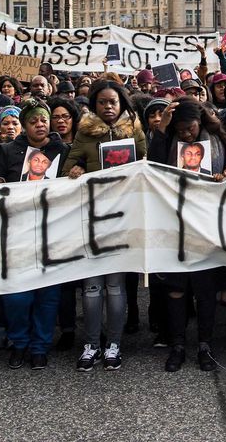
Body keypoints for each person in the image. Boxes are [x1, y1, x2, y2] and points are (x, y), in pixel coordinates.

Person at [147, 98, 226, 372]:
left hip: (207, 225)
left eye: (191, 129)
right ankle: (177, 345)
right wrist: (162, 129)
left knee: (205, 289)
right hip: (175, 225)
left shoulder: (218, 142)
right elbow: (153, 167)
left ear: (201, 122)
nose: (187, 134)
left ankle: (204, 345)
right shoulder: (168, 141)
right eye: (181, 130)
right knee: (176, 288)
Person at [65, 80, 148, 373]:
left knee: (114, 287)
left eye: (113, 102)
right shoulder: (84, 133)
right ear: (94, 105)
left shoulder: (134, 131)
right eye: (102, 102)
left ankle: (113, 343)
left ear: (121, 104)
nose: (108, 107)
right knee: (91, 288)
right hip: (92, 218)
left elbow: (146, 165)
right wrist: (76, 170)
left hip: (122, 218)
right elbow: (69, 168)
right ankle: (91, 344)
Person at [0, 101, 68, 370]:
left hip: (51, 232)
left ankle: (40, 346)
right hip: (16, 233)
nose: (40, 125)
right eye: (34, 121)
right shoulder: (8, 150)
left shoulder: (62, 150)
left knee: (47, 294)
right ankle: (20, 343)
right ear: (26, 125)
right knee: (17, 295)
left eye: (44, 120)